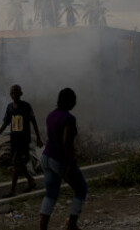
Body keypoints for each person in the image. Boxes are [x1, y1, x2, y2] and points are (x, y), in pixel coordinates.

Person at [40, 87, 87, 230]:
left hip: (46, 157)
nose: (75, 103)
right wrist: (70, 163)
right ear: (68, 101)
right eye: (73, 100)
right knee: (81, 189)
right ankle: (71, 224)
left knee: (51, 194)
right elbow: (66, 142)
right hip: (59, 159)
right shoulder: (69, 118)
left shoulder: (50, 115)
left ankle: (43, 227)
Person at [0, 84, 43, 197]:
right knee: (18, 163)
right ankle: (31, 181)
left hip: (24, 139)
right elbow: (5, 123)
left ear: (21, 93)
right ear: (10, 95)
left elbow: (33, 122)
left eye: (16, 92)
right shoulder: (9, 107)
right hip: (14, 139)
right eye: (12, 93)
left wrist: (38, 138)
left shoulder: (26, 106)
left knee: (15, 162)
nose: (14, 95)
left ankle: (12, 190)